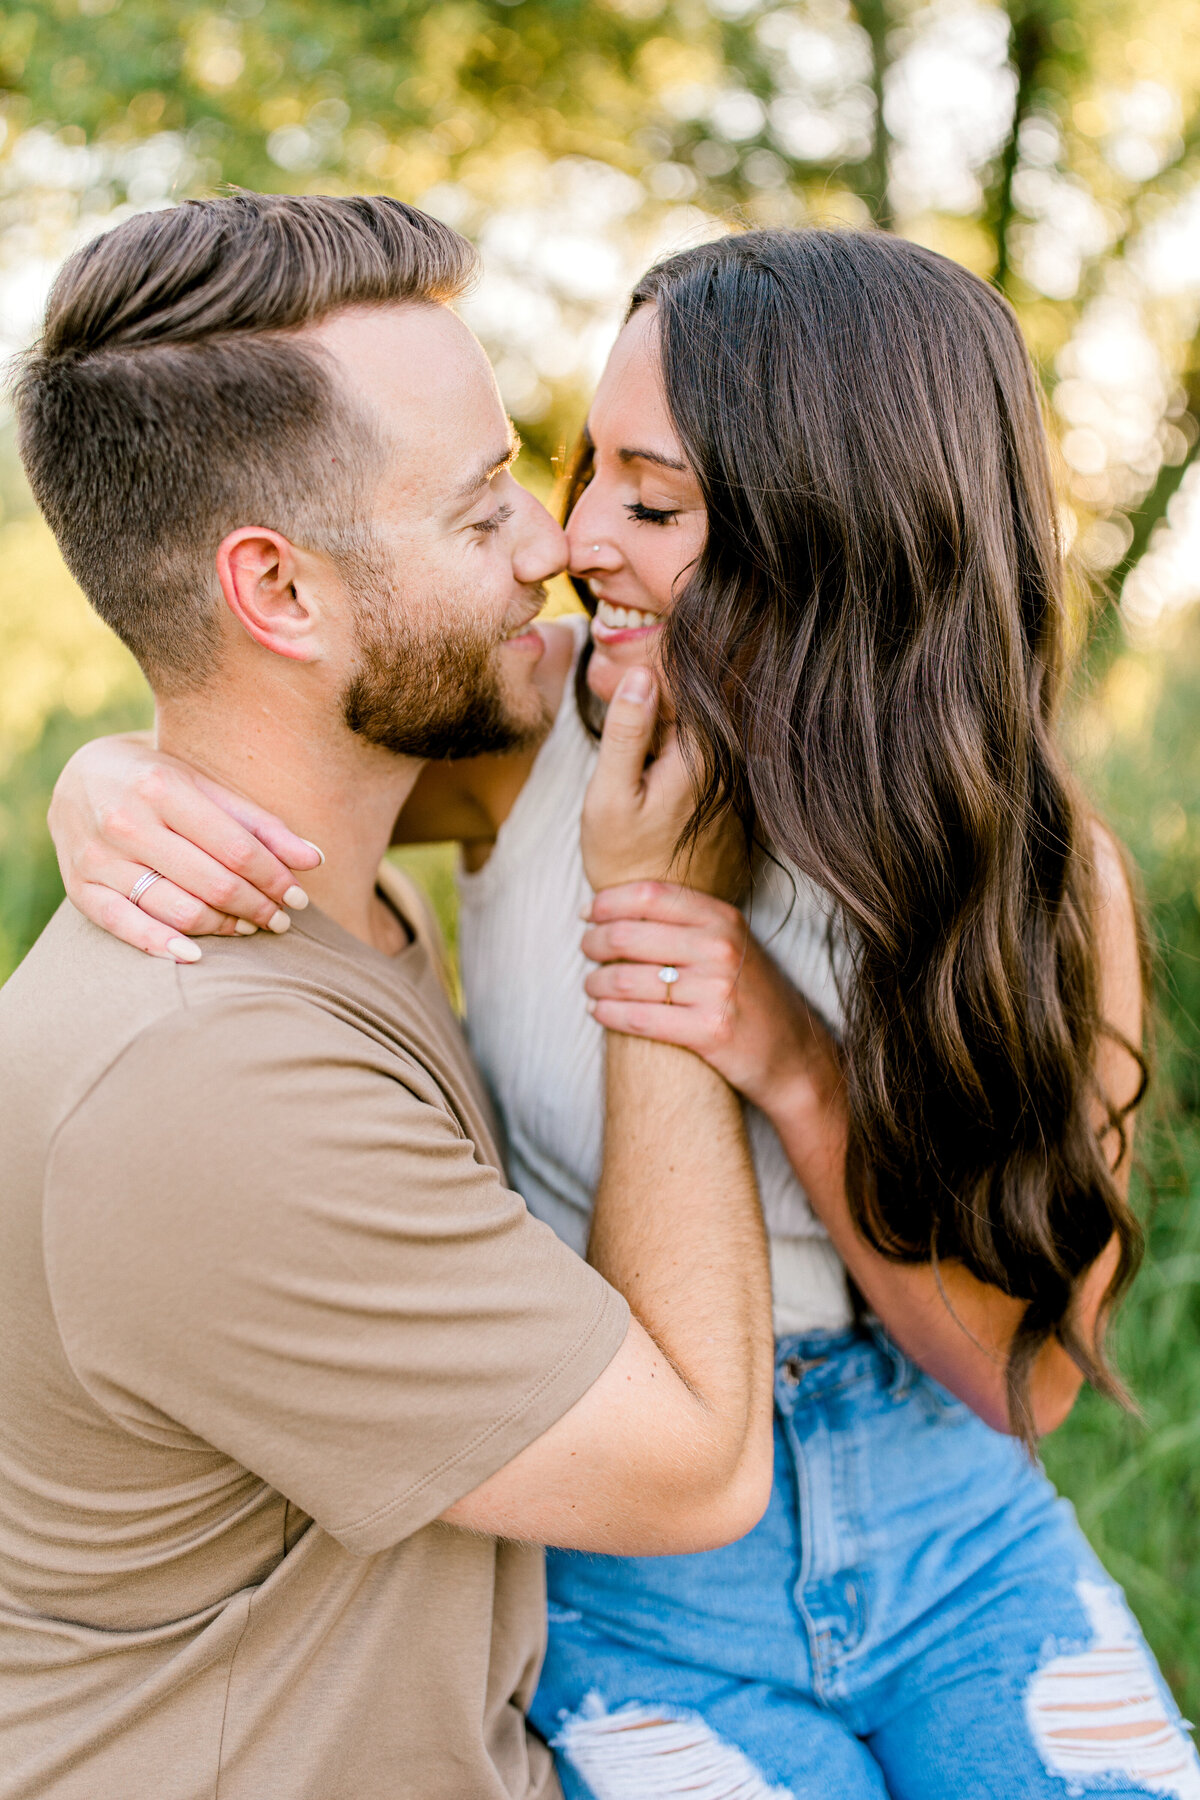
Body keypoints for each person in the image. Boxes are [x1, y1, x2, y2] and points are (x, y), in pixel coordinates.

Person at [52, 225, 1200, 1799]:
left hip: (952, 1530)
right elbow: (272, 717)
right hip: (630, 1546)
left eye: (650, 501)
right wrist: (102, 783)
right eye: (579, 469)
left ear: (836, 530)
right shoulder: (534, 740)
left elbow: (1031, 1383)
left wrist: (795, 1069)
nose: (575, 536)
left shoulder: (1045, 884)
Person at [0, 194, 781, 1800]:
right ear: (277, 594)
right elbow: (698, 1468)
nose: (552, 549)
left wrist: (110, 769)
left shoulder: (313, 870)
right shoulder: (207, 1081)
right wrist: (659, 915)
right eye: (482, 508)